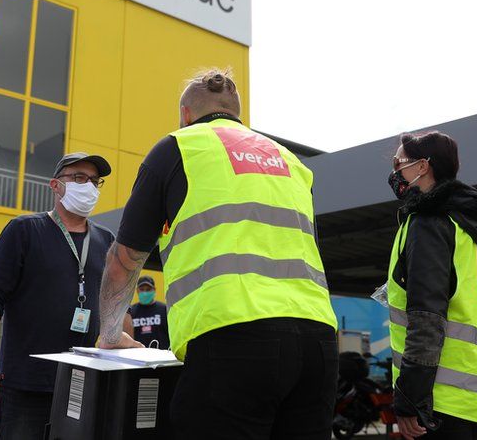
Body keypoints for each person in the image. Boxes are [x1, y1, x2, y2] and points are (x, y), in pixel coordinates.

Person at [98, 68, 339, 439]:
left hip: (232, 337)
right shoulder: (291, 162)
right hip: (317, 342)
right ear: (239, 114)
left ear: (185, 114)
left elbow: (126, 258)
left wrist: (111, 332)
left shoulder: (179, 147)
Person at [384, 131, 477, 440]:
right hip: (476, 393)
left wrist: (410, 398)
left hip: (437, 396)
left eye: (399, 163)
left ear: (421, 167)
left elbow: (427, 317)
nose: (394, 172)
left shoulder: (428, 222)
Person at [0, 152, 115, 440]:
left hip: (83, 386)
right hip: (26, 385)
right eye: (78, 178)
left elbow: (115, 306)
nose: (88, 186)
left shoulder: (106, 241)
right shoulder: (24, 230)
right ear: (55, 185)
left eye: (94, 181)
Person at [127, 275, 170, 349]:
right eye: (142, 289)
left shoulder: (164, 309)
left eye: (148, 289)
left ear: (154, 290)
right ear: (137, 290)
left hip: (161, 356)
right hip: (138, 356)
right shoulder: (131, 312)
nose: (145, 292)